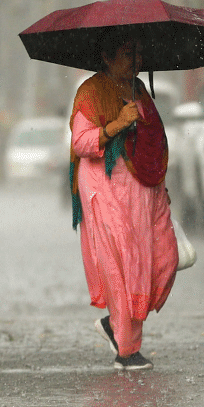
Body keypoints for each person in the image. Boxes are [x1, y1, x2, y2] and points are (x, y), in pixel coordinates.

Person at [69, 36, 178, 371]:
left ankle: (116, 325)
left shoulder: (140, 90)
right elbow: (82, 142)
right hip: (107, 190)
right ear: (106, 56)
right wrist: (116, 124)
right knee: (124, 266)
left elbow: (152, 138)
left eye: (139, 54)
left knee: (163, 259)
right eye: (128, 54)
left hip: (146, 189)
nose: (136, 61)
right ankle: (126, 351)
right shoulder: (90, 91)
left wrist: (160, 183)